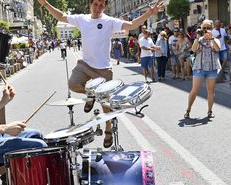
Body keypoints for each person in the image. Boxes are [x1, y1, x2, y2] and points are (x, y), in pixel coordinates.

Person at [38, 0, 164, 148]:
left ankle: (108, 130)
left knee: (106, 106)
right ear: (90, 4)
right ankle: (91, 94)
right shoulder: (82, 19)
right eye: (95, 4)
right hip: (85, 65)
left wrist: (149, 13)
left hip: (104, 68)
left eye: (101, 5)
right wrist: (45, 3)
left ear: (105, 7)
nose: (98, 8)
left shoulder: (109, 21)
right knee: (72, 85)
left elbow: (132, 25)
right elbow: (61, 16)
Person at [185, 19, 221, 119]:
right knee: (194, 90)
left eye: (208, 28)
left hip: (212, 68)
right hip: (199, 68)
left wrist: (212, 38)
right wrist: (197, 37)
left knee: (211, 91)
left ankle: (210, 111)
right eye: (204, 28)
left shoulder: (215, 39)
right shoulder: (199, 39)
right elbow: (193, 50)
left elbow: (218, 49)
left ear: (212, 28)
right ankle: (188, 109)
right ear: (201, 28)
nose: (206, 30)